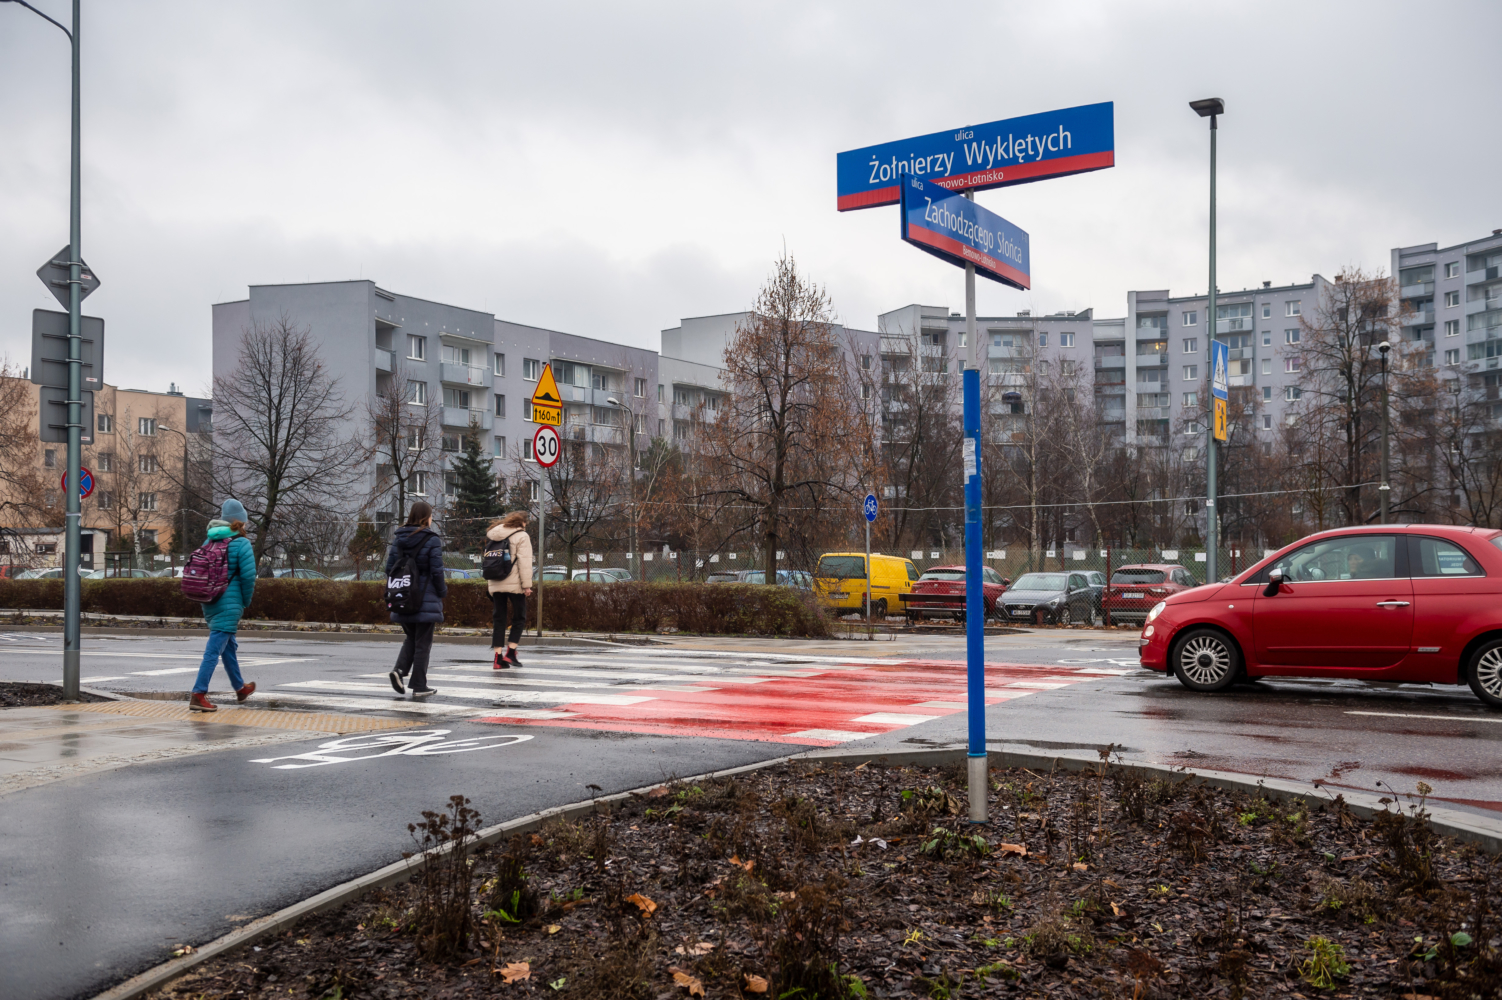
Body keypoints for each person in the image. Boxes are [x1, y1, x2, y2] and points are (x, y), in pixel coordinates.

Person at [189, 499, 258, 712]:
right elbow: (248, 577)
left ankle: (240, 688)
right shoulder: (241, 543)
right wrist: (245, 602)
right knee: (214, 649)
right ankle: (198, 693)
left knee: (228, 646)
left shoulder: (209, 540)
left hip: (209, 600)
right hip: (230, 601)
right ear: (241, 522)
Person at [386, 501, 446, 698]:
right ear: (426, 517)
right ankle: (419, 686)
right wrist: (442, 591)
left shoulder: (398, 539)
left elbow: (389, 569)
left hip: (402, 596)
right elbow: (437, 571)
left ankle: (399, 671)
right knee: (423, 643)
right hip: (425, 598)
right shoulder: (432, 540)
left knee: (412, 637)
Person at [485, 511, 534, 669]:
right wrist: (527, 585)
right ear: (523, 523)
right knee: (519, 617)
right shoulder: (522, 536)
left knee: (499, 619)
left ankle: (497, 659)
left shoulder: (494, 534)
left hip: (496, 581)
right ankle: (511, 653)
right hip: (514, 584)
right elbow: (524, 563)